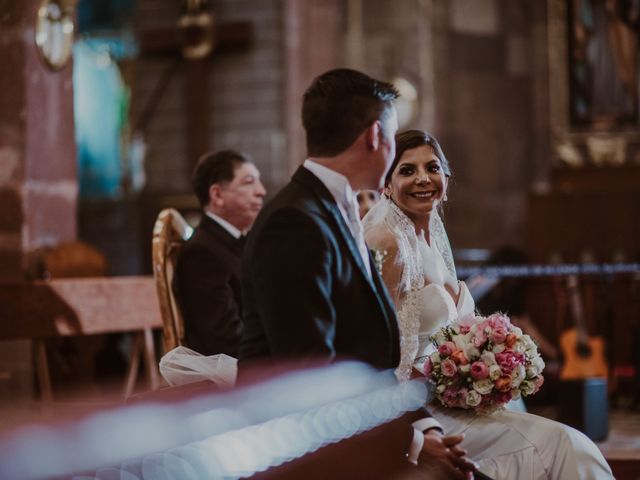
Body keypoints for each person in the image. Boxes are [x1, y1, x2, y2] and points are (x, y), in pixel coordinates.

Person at [240, 69, 477, 479]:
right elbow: (310, 367)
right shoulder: (294, 222)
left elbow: (371, 352)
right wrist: (410, 445)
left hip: (362, 427)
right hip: (308, 448)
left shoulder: (340, 209)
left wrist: (425, 426)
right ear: (375, 137)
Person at [363, 129, 614, 479]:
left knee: (566, 441)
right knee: (565, 444)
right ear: (387, 184)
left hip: (457, 403)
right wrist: (434, 384)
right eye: (407, 170)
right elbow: (371, 347)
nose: (422, 178)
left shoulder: (434, 238)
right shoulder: (387, 243)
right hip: (418, 414)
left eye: (432, 168)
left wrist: (494, 359)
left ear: (446, 179)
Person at [173, 149, 266, 357]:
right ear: (217, 194)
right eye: (249, 182)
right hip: (232, 374)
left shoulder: (238, 243)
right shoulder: (201, 253)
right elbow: (226, 339)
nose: (261, 191)